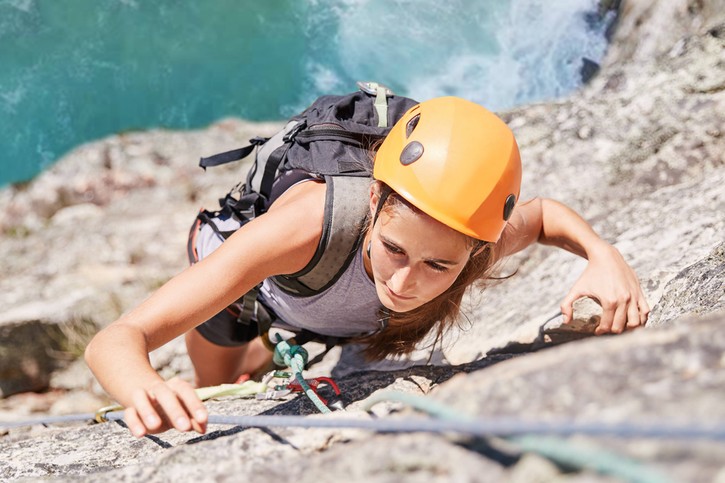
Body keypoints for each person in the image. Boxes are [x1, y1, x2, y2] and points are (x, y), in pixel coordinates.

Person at [85, 96, 649, 438]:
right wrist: (145, 387)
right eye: (395, 249)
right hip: (249, 289)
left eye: (438, 265)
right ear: (375, 203)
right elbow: (118, 338)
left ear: (477, 250)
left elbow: (545, 215)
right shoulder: (304, 227)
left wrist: (604, 255)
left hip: (327, 306)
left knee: (298, 334)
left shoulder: (474, 241)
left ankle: (273, 348)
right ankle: (256, 355)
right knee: (214, 386)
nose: (404, 284)